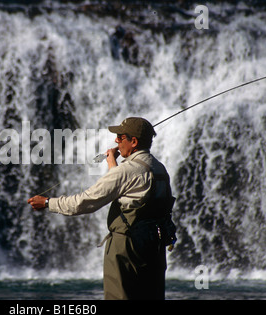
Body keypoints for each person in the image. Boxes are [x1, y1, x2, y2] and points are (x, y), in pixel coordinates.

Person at [27, 117, 176, 300]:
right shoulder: (159, 169)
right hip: (154, 245)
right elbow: (126, 187)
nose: (116, 141)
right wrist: (112, 162)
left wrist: (48, 203)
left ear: (134, 141)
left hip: (126, 248)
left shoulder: (125, 172)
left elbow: (84, 202)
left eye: (120, 137)